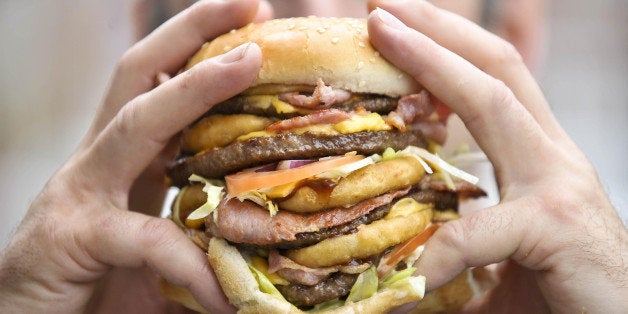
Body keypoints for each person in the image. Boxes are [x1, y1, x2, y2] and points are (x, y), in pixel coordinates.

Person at [0, 0, 625, 312]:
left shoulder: (581, 284)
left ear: (513, 36)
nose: (320, 17)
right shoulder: (73, 281)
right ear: (153, 45)